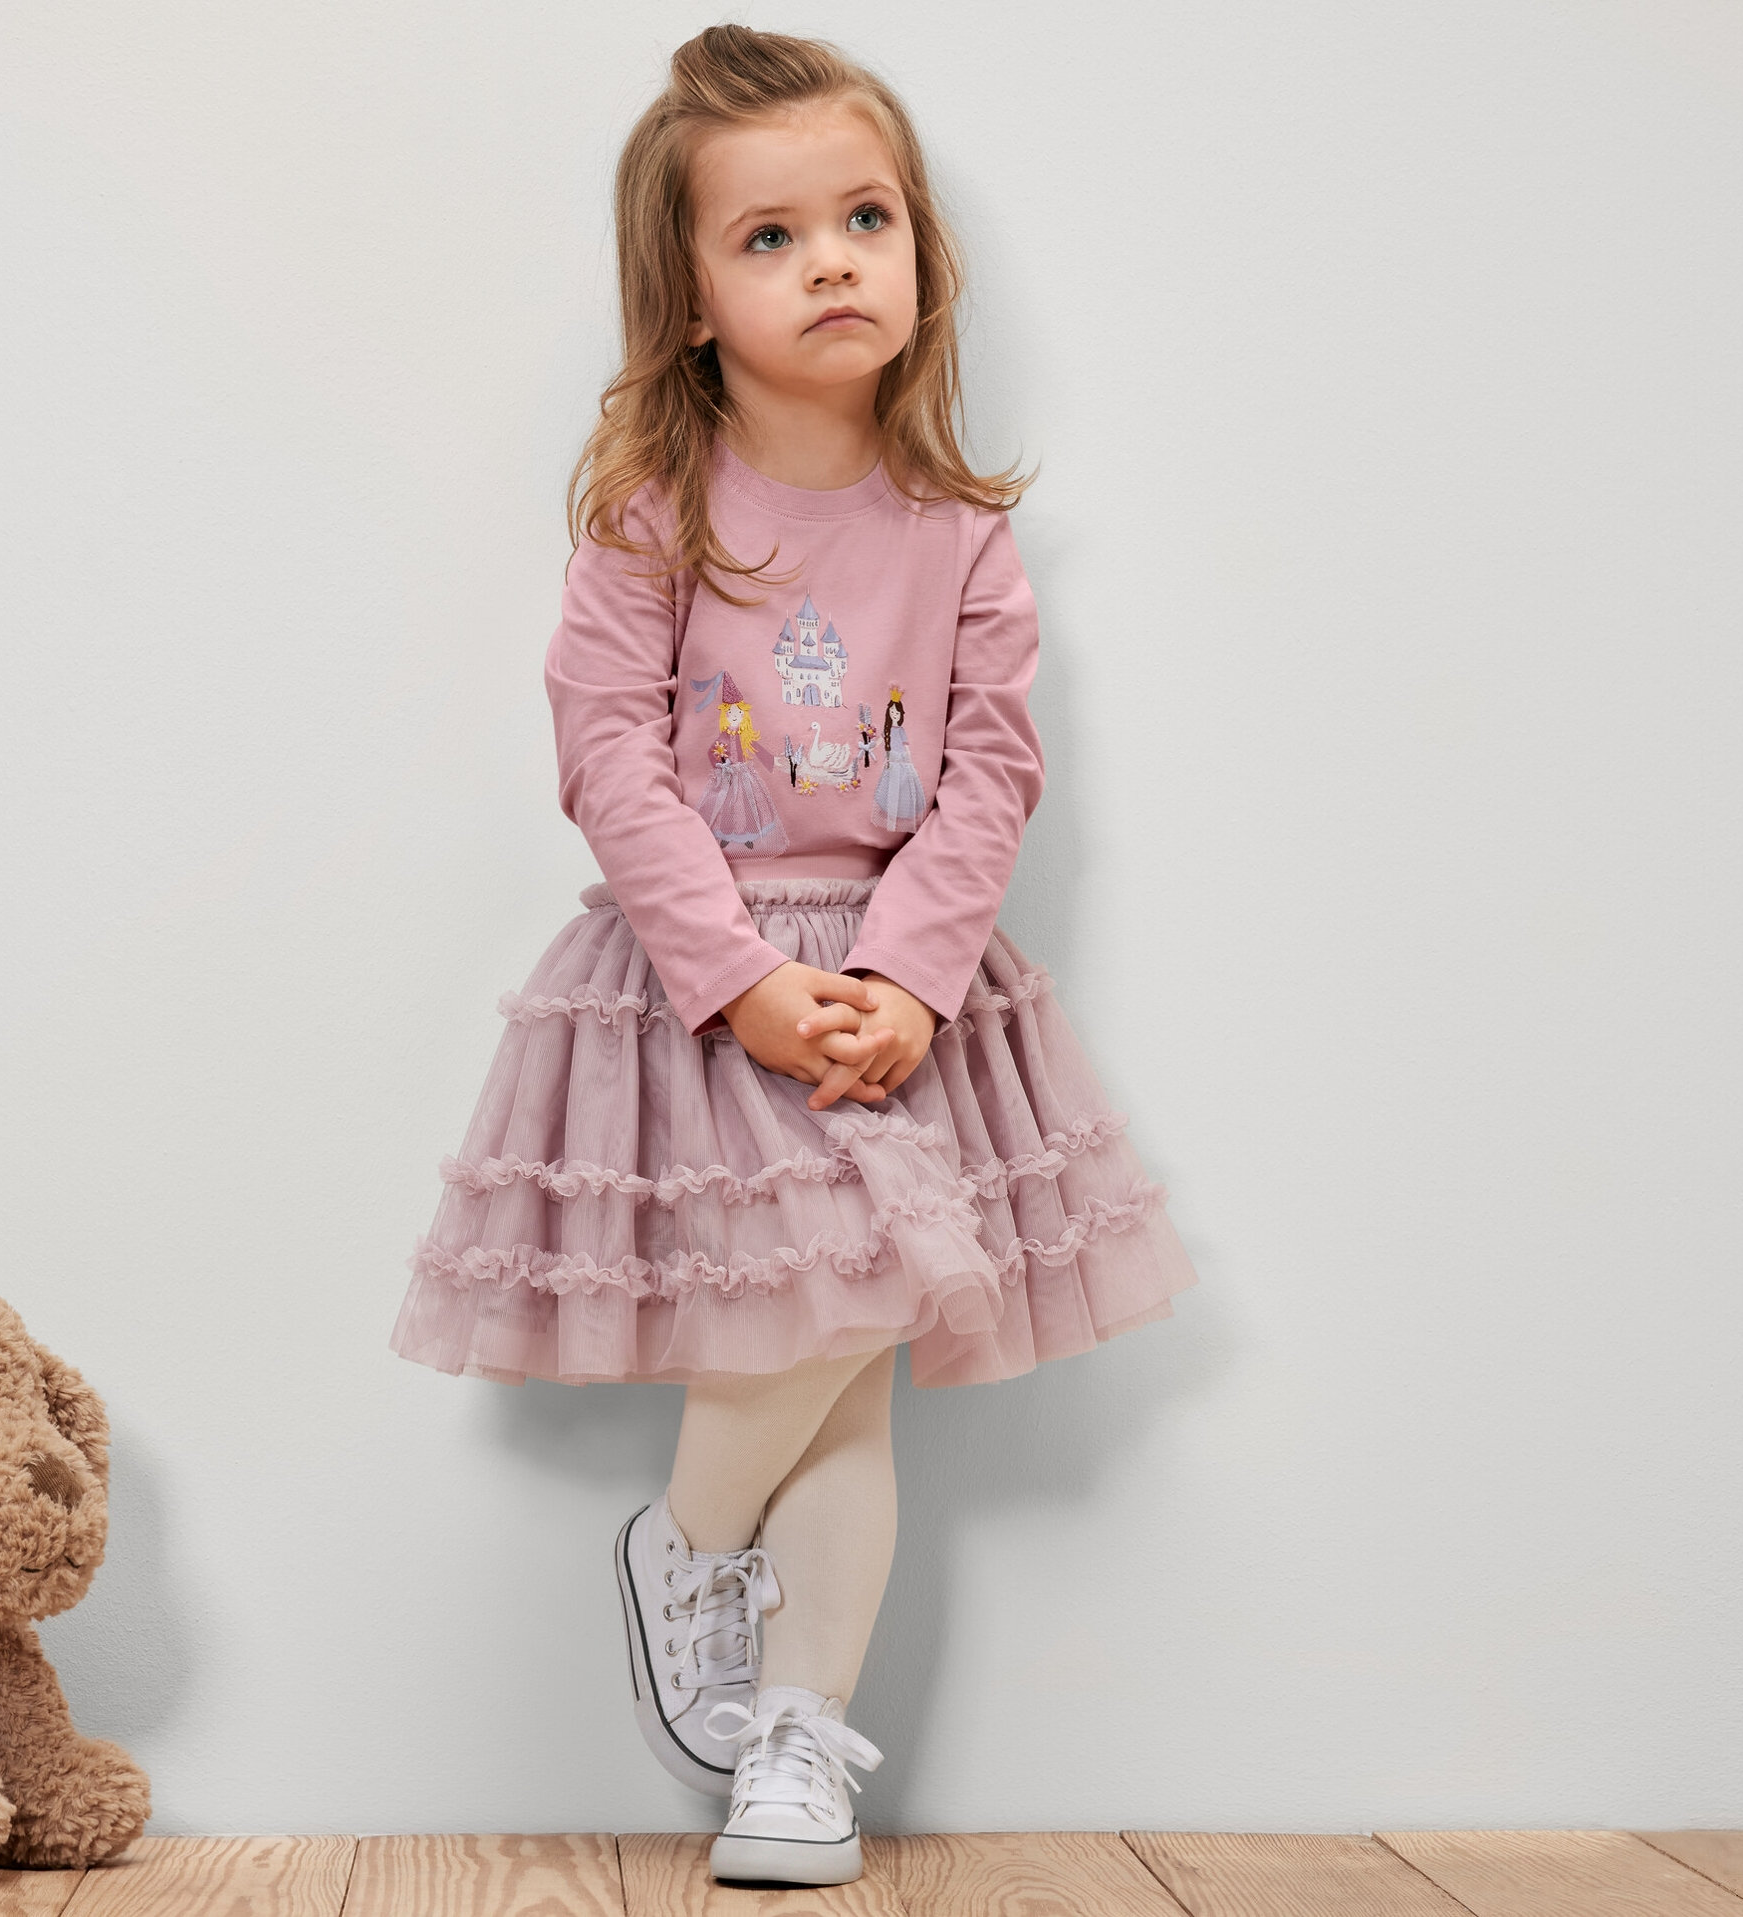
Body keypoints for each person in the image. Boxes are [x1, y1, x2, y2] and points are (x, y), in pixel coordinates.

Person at [390, 23, 1200, 1888]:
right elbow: (604, 755)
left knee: (866, 1347)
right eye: (768, 237)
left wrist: (911, 975)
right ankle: (689, 1544)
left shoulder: (959, 530)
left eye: (864, 217)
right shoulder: (652, 518)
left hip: (909, 993)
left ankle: (794, 1744)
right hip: (711, 992)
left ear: (922, 256)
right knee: (824, 1316)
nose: (832, 258)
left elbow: (993, 764)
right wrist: (747, 980)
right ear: (683, 298)